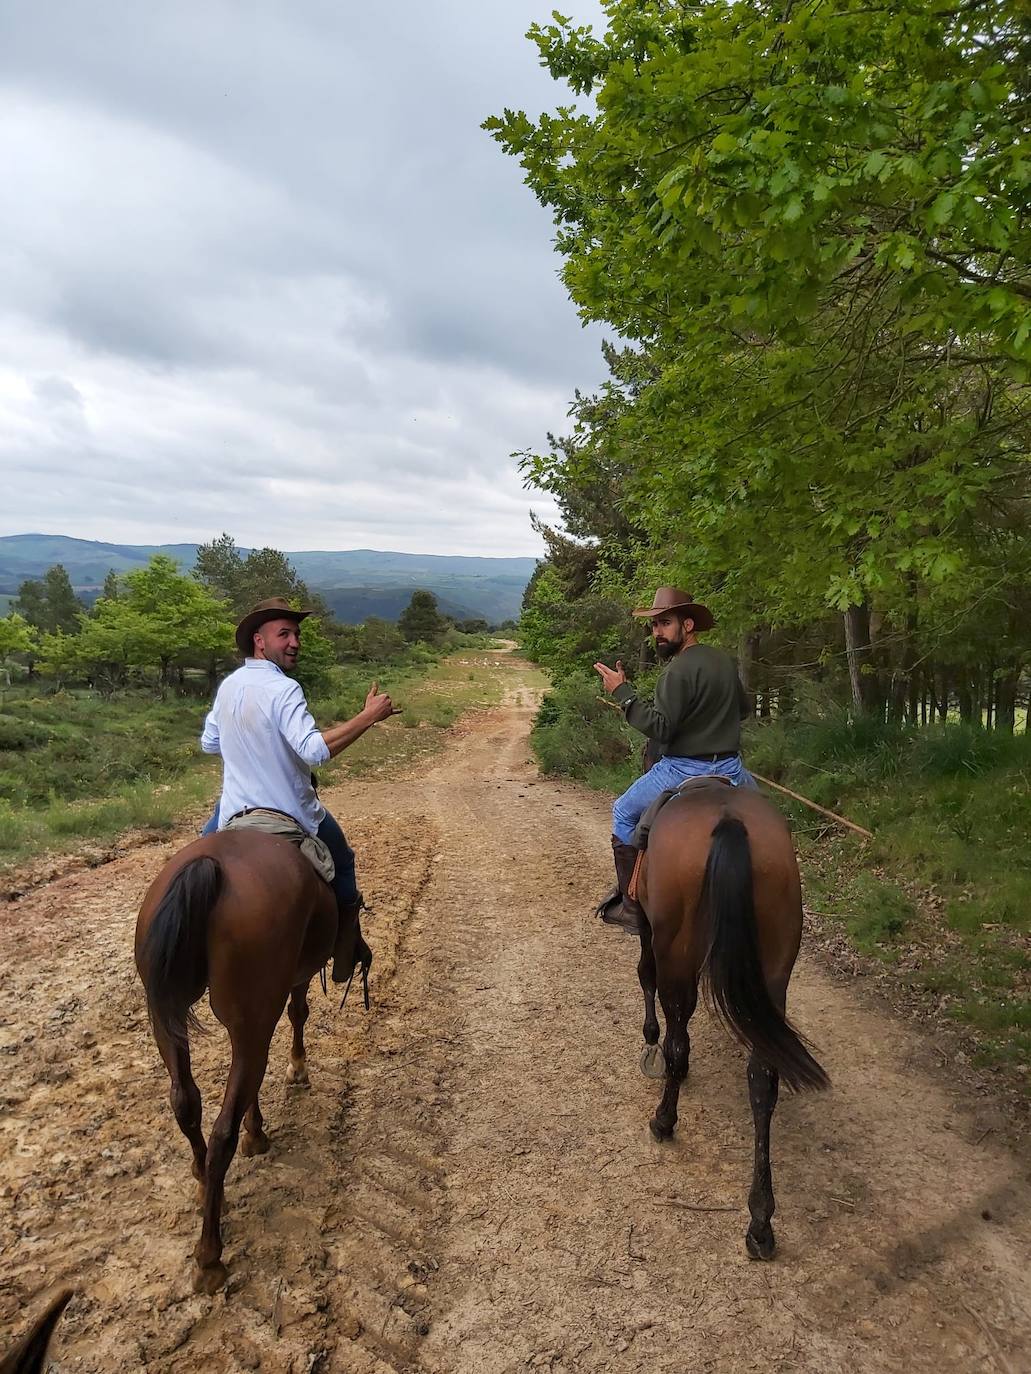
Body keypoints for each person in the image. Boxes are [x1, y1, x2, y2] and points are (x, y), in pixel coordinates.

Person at [200, 597, 398, 981]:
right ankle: (344, 951)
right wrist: (368, 717)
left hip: (232, 813)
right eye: (284, 634)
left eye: (297, 635)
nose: (295, 643)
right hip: (291, 811)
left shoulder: (229, 686)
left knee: (200, 854)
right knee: (343, 861)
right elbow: (313, 750)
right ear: (259, 640)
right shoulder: (284, 689)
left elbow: (210, 743)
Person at [593, 586, 754, 933]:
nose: (658, 633)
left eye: (665, 623)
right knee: (769, 820)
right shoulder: (725, 662)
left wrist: (623, 693)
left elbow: (661, 729)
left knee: (622, 811)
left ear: (689, 624)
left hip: (682, 769)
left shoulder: (676, 672)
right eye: (654, 626)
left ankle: (631, 904)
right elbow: (744, 710)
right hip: (731, 768)